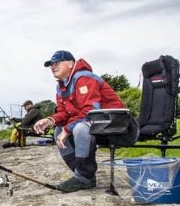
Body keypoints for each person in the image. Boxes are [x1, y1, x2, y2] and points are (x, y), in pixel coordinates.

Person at [33, 50, 126, 192]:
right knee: (58, 129)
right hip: (97, 121)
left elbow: (90, 111)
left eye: (57, 63)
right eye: (51, 65)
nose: (53, 67)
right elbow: (64, 112)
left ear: (70, 64)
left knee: (79, 128)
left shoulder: (84, 78)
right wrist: (51, 120)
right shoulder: (61, 86)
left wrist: (67, 129)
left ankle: (83, 177)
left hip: (115, 121)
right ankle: (83, 176)